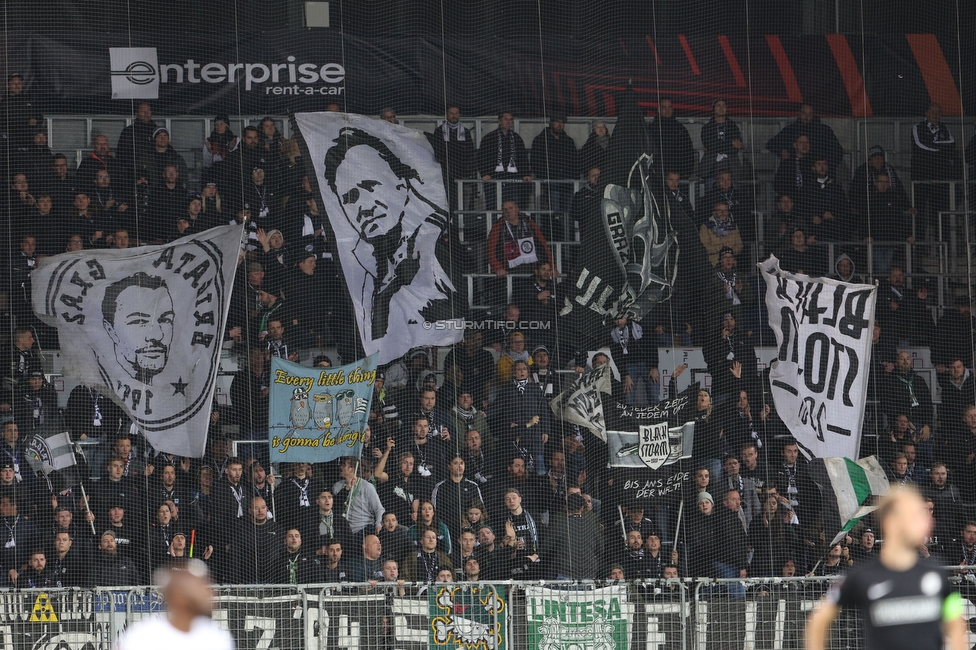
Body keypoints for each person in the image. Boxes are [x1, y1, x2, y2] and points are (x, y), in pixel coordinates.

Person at [322, 126, 456, 343]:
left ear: (401, 184)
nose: (363, 206)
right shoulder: (355, 258)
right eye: (349, 198)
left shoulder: (432, 239)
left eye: (370, 185)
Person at [805, 486, 967, 650]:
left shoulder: (936, 573)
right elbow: (819, 619)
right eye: (914, 516)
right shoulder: (862, 576)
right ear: (890, 522)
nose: (926, 521)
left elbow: (956, 622)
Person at [116, 559, 235, 650]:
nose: (210, 592)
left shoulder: (216, 637)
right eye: (198, 586)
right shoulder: (143, 636)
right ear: (178, 596)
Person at [766, 104, 844, 174]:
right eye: (804, 113)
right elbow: (771, 144)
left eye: (810, 114)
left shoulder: (824, 131)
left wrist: (826, 166)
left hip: (819, 175)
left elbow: (838, 151)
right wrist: (781, 151)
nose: (806, 117)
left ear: (813, 115)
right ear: (799, 113)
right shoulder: (791, 130)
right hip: (796, 172)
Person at [476, 111, 532, 210]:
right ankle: (494, 225)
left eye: (511, 120)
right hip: (493, 179)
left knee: (512, 207)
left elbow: (523, 158)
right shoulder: (489, 138)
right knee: (493, 207)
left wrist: (526, 174)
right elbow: (482, 157)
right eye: (506, 119)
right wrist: (485, 173)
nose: (508, 122)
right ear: (499, 121)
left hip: (513, 180)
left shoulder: (516, 138)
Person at [486, 199, 555, 277]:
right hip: (507, 271)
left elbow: (543, 245)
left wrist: (553, 266)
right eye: (505, 209)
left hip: (530, 269)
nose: (508, 211)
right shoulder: (498, 227)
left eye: (510, 208)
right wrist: (497, 267)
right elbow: (490, 250)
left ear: (517, 209)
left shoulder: (529, 223)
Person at [427, 105, 476, 214]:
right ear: (446, 115)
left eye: (456, 113)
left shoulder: (465, 132)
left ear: (460, 115)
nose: (454, 116)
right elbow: (436, 152)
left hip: (462, 174)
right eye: (451, 113)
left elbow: (470, 153)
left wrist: (467, 170)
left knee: (463, 204)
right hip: (445, 175)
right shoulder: (439, 131)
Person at [647, 98, 696, 180]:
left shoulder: (680, 129)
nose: (667, 110)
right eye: (664, 107)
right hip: (657, 176)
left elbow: (688, 151)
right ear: (658, 109)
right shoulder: (651, 129)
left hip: (678, 176)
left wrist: (687, 172)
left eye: (669, 107)